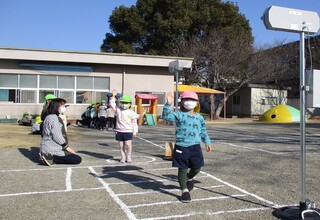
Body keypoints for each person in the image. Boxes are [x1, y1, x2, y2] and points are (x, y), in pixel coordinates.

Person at [161, 91, 212, 203]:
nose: (190, 102)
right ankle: (184, 191)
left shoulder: (199, 117)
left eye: (192, 100)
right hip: (181, 147)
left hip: (195, 147)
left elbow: (203, 130)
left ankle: (188, 178)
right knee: (182, 169)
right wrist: (168, 104)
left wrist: (207, 141)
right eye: (186, 99)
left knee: (197, 168)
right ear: (182, 102)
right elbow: (165, 116)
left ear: (197, 103)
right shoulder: (178, 114)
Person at [39, 98, 82, 166]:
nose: (65, 108)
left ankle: (48, 157)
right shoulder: (54, 118)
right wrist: (67, 147)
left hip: (46, 147)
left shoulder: (48, 117)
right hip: (52, 148)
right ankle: (51, 158)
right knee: (77, 159)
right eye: (63, 106)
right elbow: (57, 135)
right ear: (57, 107)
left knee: (71, 155)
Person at [110, 90, 139, 163]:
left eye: (126, 103)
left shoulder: (131, 112)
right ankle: (123, 157)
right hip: (119, 131)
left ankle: (128, 156)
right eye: (122, 102)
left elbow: (134, 123)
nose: (124, 104)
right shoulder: (118, 110)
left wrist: (135, 131)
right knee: (121, 146)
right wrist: (113, 96)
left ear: (129, 104)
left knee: (128, 144)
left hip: (128, 131)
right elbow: (112, 104)